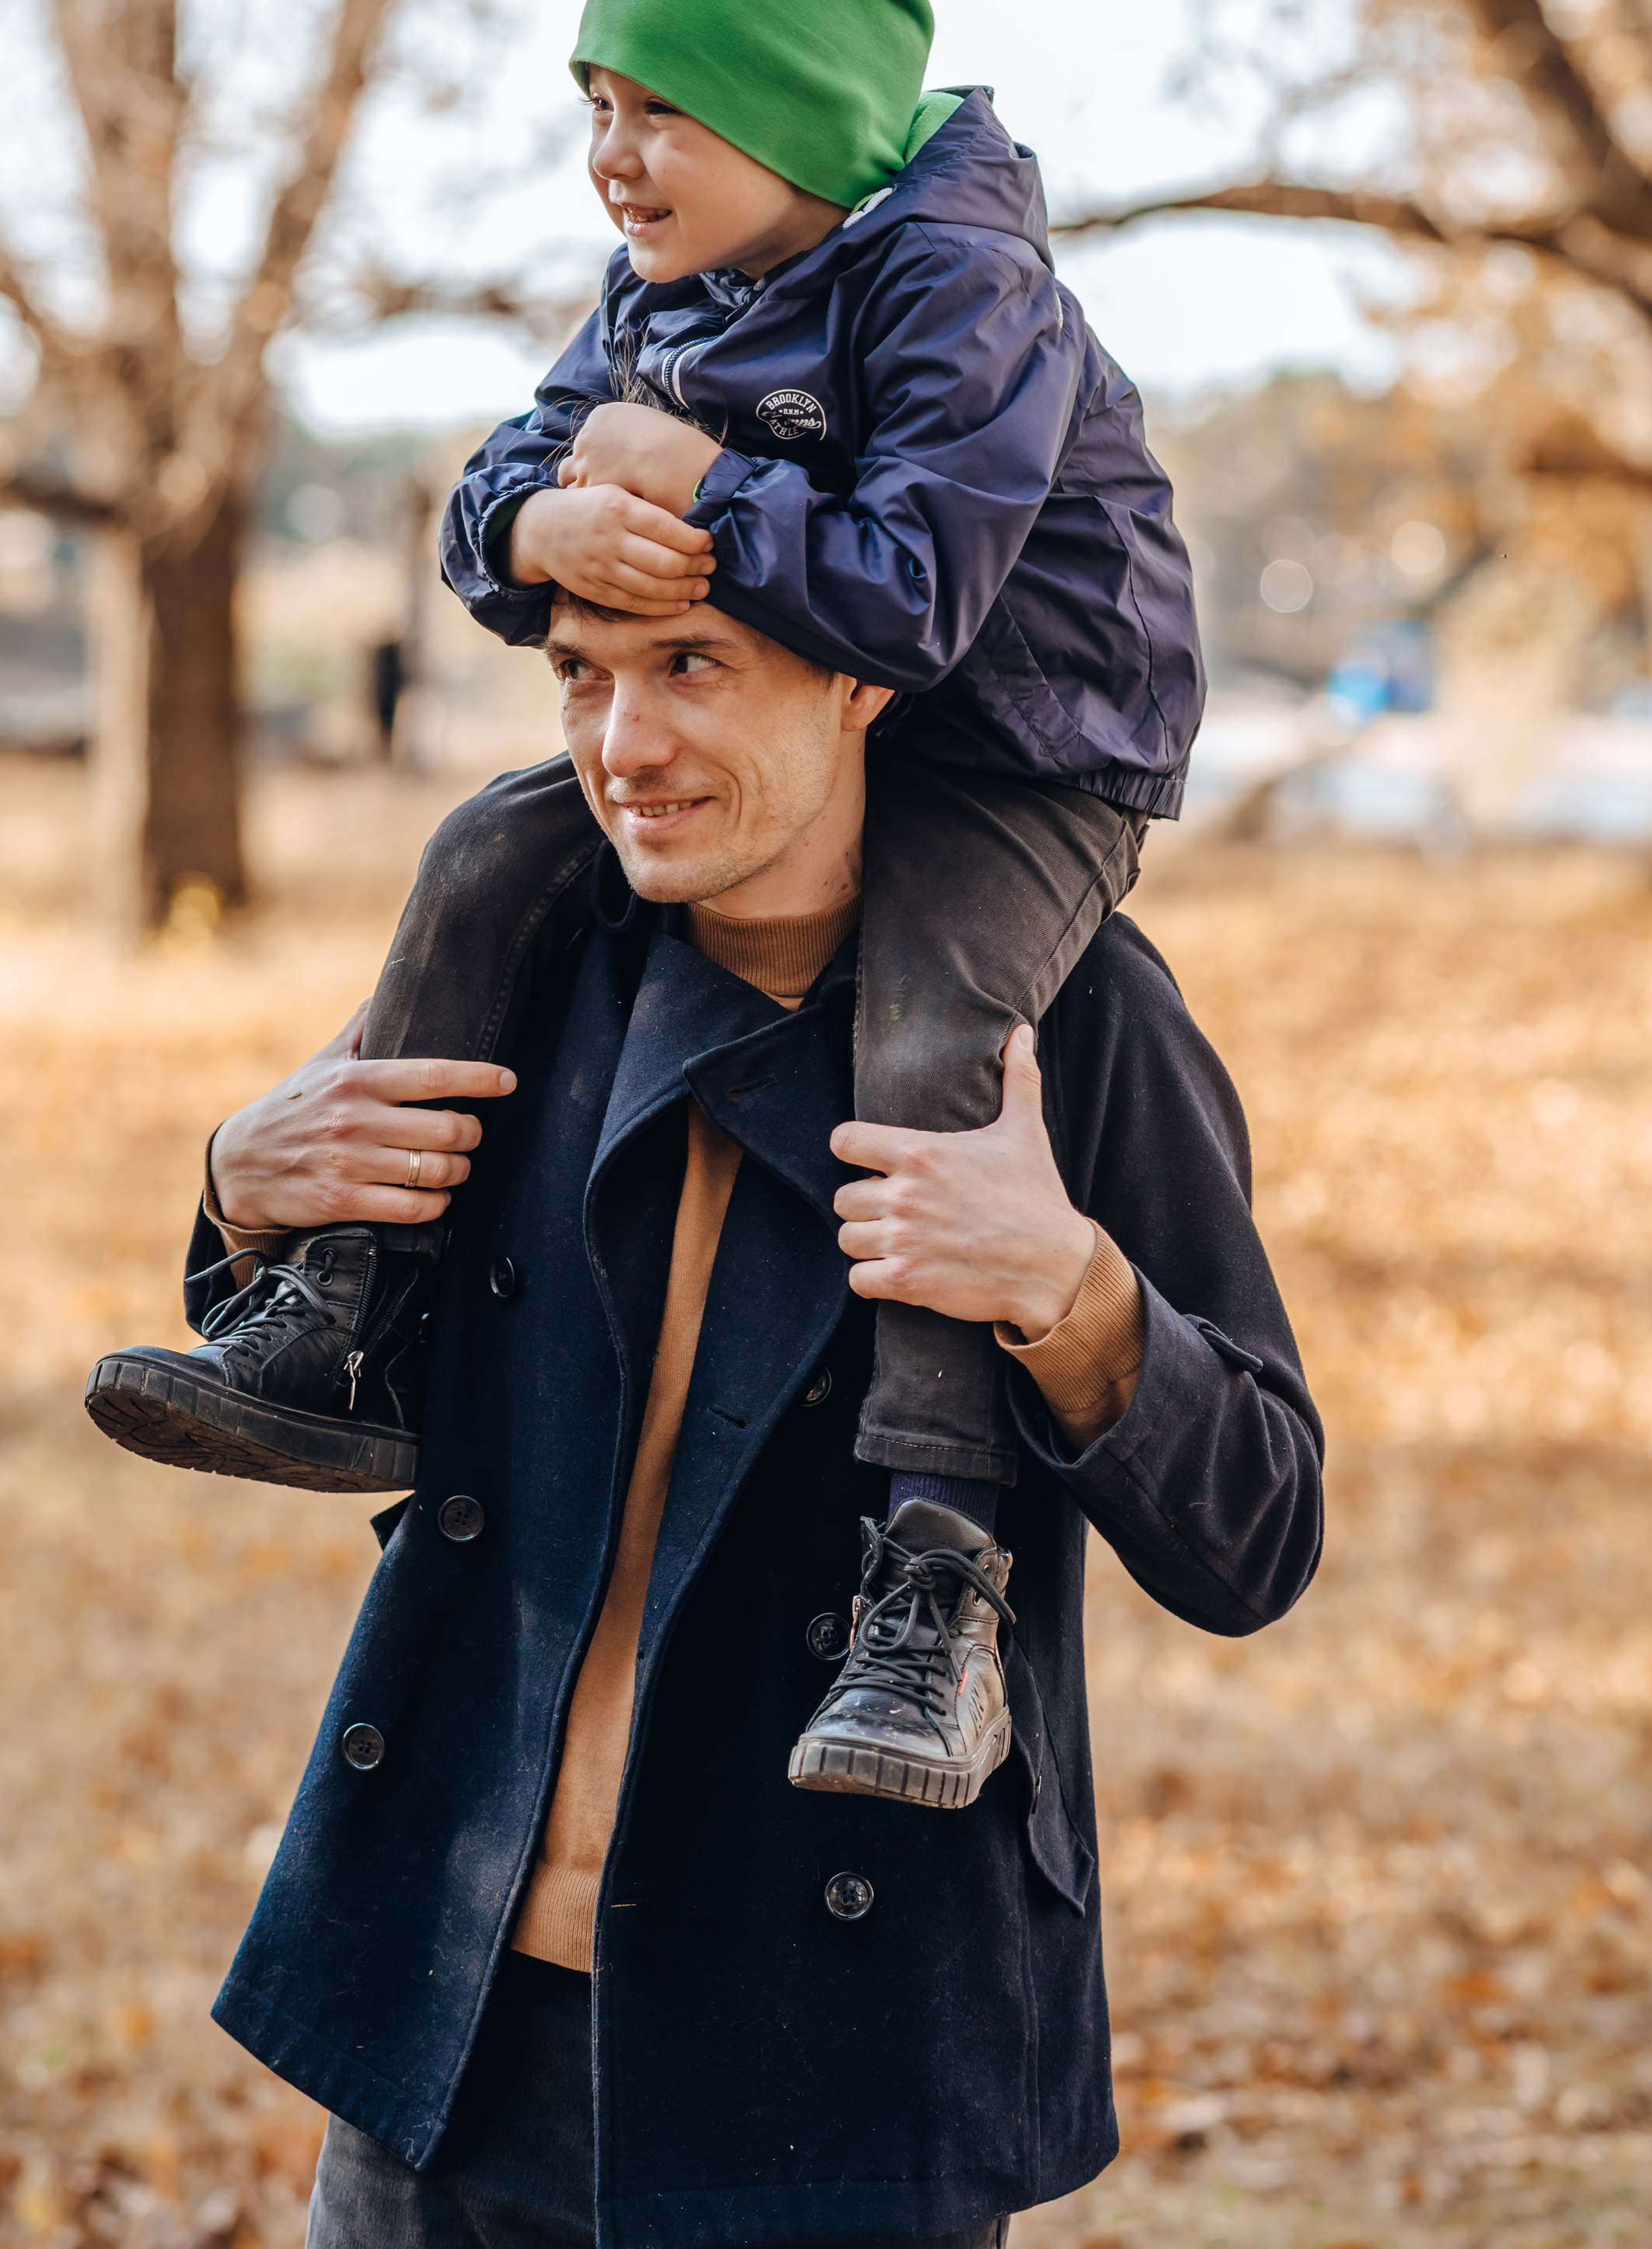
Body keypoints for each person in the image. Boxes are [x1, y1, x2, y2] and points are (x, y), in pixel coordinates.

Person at [85, 0, 1205, 1809]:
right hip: (456, 1933)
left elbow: (905, 599)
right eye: (597, 104)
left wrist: (1074, 1288)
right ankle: (341, 1314)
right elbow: (499, 478)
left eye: (664, 108)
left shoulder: (964, 292)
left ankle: (930, 1587)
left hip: (1029, 736)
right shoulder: (665, 289)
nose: (613, 154)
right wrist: (536, 517)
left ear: (801, 121)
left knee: (936, 1039)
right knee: (479, 852)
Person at [184, 585, 1321, 2249]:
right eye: (579, 675)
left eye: (691, 669)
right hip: (447, 2001)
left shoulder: (1065, 1021)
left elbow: (1259, 1532)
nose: (621, 743)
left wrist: (1063, 1285)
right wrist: (235, 1198)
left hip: (833, 2051)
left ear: (860, 678)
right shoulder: (520, 957)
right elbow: (317, 1364)